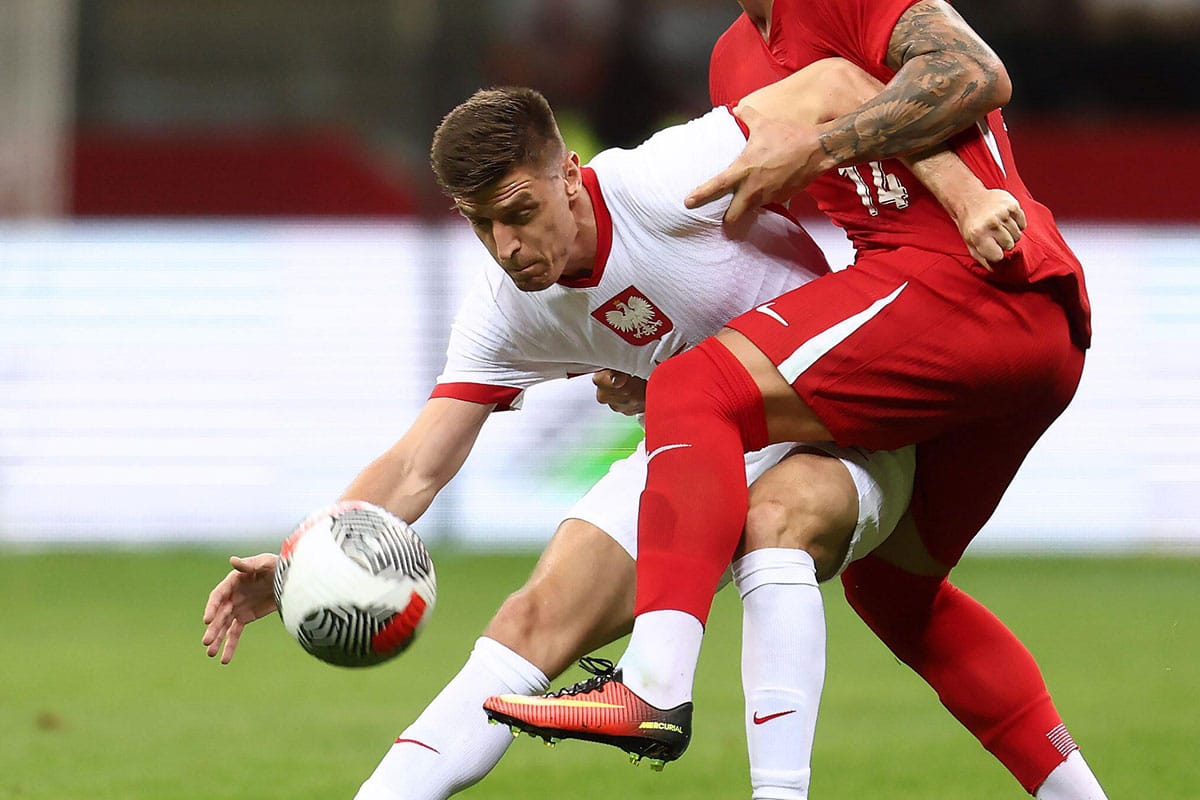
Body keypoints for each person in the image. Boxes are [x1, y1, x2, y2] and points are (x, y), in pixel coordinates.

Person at [202, 62, 1020, 800]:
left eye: (520, 212)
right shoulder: (506, 308)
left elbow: (836, 83)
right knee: (529, 620)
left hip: (844, 421)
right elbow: (419, 463)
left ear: (569, 173)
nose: (507, 247)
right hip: (697, 444)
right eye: (481, 225)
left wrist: (965, 195)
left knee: (778, 515)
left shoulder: (666, 180)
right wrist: (302, 560)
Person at [484, 3, 1109, 800]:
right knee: (893, 592)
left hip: (972, 280)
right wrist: (664, 354)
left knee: (697, 388)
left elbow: (975, 75)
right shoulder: (733, 60)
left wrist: (826, 148)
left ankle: (653, 682)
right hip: (998, 330)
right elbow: (746, 248)